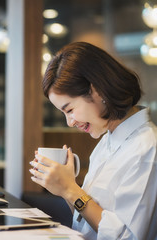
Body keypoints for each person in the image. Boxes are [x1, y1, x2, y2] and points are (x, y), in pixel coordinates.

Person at [29, 42, 157, 239]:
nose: (69, 122)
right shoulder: (108, 141)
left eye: (69, 110)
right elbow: (86, 222)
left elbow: (128, 237)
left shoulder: (146, 148)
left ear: (97, 90)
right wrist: (65, 188)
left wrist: (70, 190)